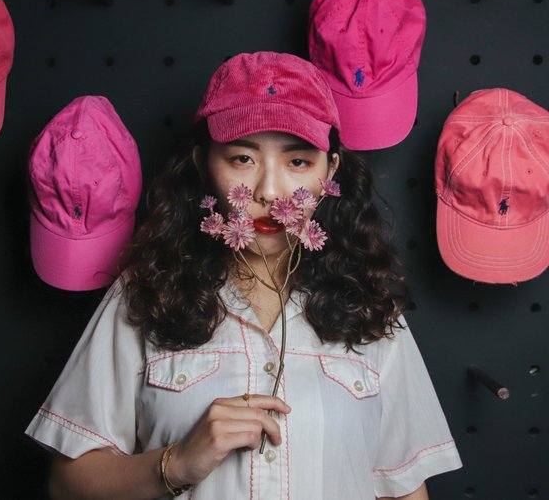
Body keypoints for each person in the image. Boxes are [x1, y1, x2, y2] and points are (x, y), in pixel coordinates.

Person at [25, 52, 462, 500]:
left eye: (297, 162)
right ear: (201, 164)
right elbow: (67, 484)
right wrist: (176, 463)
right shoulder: (145, 292)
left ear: (331, 170)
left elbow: (405, 489)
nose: (269, 192)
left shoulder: (367, 303)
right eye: (241, 158)